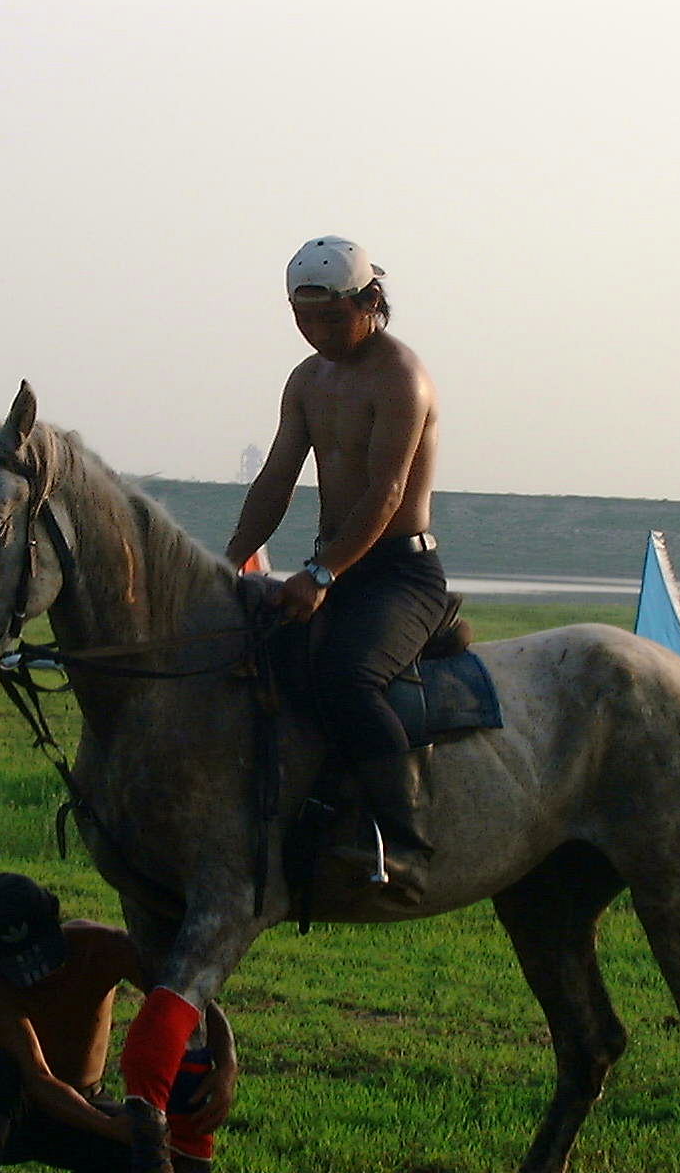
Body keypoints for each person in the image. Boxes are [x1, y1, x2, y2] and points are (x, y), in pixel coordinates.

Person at [226, 235, 447, 903]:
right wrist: (228, 560)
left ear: (368, 301)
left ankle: (405, 843)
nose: (315, 332)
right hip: (334, 563)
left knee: (348, 679)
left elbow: (385, 493)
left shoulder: (399, 375)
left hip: (398, 575)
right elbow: (275, 480)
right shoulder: (307, 380)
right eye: (303, 318)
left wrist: (321, 576)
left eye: (328, 318)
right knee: (249, 661)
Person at [0, 873, 237, 1173]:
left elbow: (188, 996)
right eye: (20, 964)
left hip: (88, 1103)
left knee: (155, 1154)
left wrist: (226, 1066)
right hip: (25, 1113)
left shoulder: (102, 947)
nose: (44, 977)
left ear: (56, 917)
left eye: (46, 955)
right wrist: (110, 1127)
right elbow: (37, 1077)